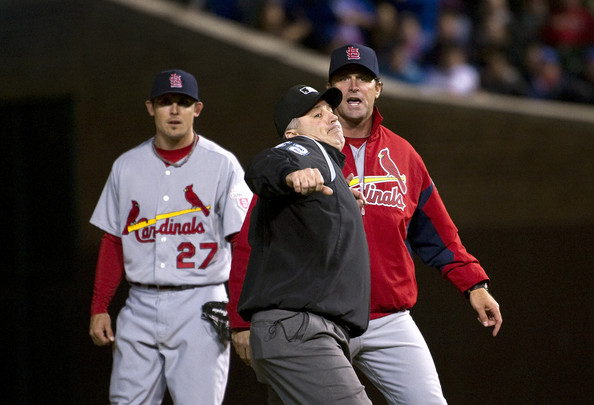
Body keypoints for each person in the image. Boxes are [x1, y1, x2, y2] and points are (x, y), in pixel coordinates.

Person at [228, 45, 502, 404]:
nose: (353, 86)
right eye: (344, 78)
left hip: (386, 318)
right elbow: (253, 236)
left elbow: (437, 232)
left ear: (378, 88)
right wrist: (239, 320)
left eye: (363, 78)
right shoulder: (305, 153)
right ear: (331, 88)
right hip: (314, 316)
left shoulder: (403, 155)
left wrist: (473, 284)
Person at [88, 69, 252, 404]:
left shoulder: (223, 164)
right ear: (151, 107)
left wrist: (241, 316)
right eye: (166, 102)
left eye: (183, 102)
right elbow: (114, 240)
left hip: (202, 303)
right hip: (139, 304)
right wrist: (99, 305)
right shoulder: (126, 166)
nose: (174, 110)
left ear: (198, 109)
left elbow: (243, 243)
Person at [237, 84, 372, 404]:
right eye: (317, 114)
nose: (332, 118)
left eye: (331, 112)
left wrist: (343, 201)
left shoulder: (329, 171)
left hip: (300, 329)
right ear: (291, 132)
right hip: (299, 330)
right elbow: (264, 165)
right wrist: (288, 175)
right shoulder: (305, 150)